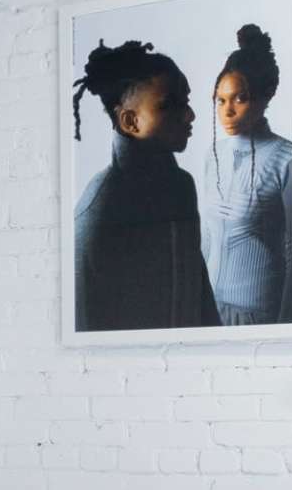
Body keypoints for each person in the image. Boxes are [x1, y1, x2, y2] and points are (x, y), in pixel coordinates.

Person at [71, 39, 217, 332]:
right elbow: (86, 326)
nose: (189, 115)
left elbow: (200, 295)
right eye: (169, 105)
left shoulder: (182, 186)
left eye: (186, 101)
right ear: (130, 121)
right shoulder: (101, 206)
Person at [207, 22, 292, 327]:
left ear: (263, 97)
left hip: (260, 314)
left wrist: (289, 322)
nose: (227, 110)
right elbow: (206, 238)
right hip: (209, 310)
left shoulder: (287, 158)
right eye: (220, 100)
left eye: (239, 99)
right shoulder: (213, 155)